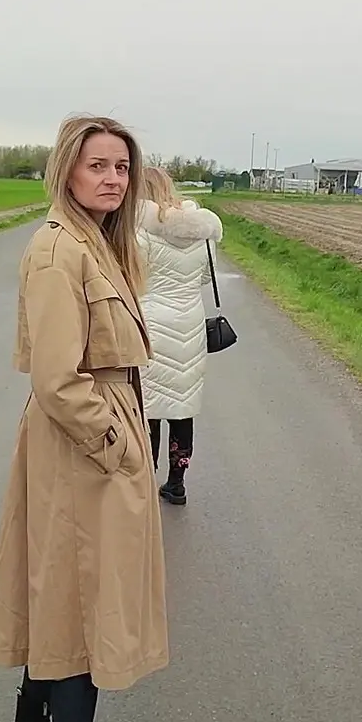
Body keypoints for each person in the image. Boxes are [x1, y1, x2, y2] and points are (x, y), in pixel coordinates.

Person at [0, 115, 168, 722]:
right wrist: (116, 444)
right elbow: (58, 379)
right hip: (82, 452)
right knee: (79, 619)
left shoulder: (99, 242)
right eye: (98, 165)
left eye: (121, 166)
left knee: (63, 608)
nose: (113, 178)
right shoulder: (58, 250)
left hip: (86, 447)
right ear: (67, 169)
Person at [134, 165, 223, 506]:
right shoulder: (201, 231)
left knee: (148, 405)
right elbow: (206, 277)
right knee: (182, 405)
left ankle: (145, 480)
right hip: (191, 323)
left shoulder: (139, 232)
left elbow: (131, 276)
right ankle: (176, 483)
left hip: (151, 324)